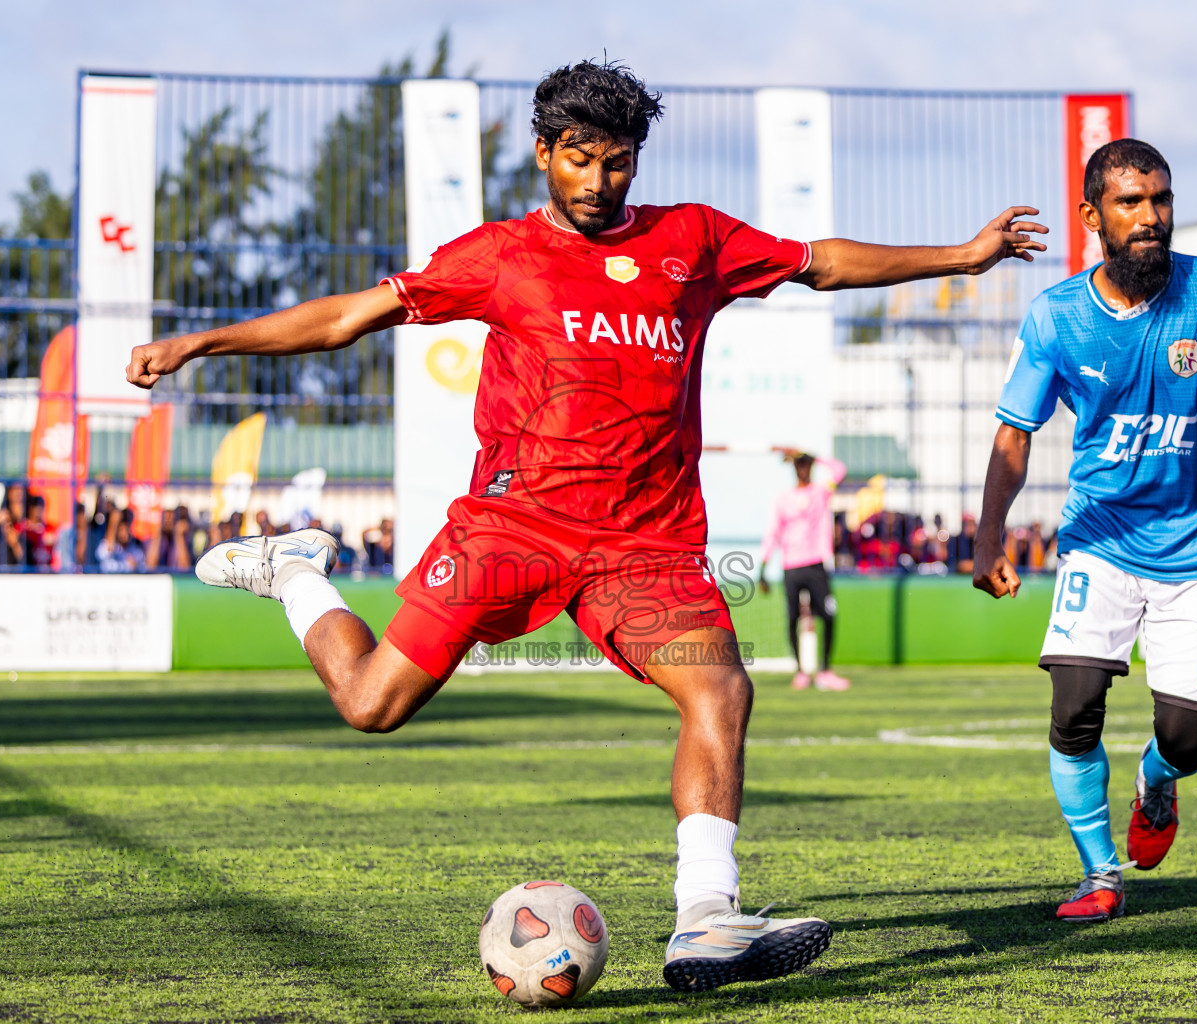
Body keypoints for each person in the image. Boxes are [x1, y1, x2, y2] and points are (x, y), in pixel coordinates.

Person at [128, 60, 1046, 991]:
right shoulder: (497, 257)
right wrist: (202, 341)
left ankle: (707, 917)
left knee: (720, 692)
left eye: (618, 163)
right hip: (513, 530)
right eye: (579, 160)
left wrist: (960, 259)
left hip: (644, 549)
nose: (599, 183)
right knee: (370, 704)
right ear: (542, 154)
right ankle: (294, 572)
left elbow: (822, 262)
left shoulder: (695, 240)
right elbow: (345, 321)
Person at [973, 139, 1197, 924]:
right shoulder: (1057, 316)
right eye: (1131, 203)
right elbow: (1015, 434)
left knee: (1185, 737)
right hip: (1101, 538)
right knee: (1074, 705)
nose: (1152, 218)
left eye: (1161, 200)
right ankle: (1099, 874)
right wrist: (987, 535)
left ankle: (1159, 778)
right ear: (1092, 216)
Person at [757, 449, 849, 691]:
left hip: (816, 563)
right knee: (792, 618)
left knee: (828, 615)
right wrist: (763, 568)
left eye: (807, 465)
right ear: (794, 468)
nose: (804, 469)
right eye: (800, 465)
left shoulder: (821, 491)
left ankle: (826, 670)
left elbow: (840, 469)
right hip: (791, 566)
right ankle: (800, 671)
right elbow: (772, 533)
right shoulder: (783, 498)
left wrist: (813, 455)